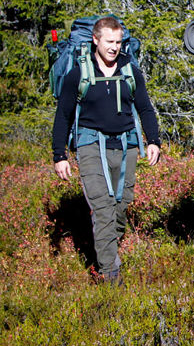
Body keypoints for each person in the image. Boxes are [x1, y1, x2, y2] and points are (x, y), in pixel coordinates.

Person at [52, 16, 161, 284]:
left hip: (127, 146)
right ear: (96, 40)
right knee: (102, 208)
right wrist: (60, 155)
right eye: (109, 42)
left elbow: (145, 108)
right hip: (90, 145)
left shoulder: (130, 70)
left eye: (119, 42)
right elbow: (63, 114)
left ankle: (107, 251)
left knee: (120, 207)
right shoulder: (79, 71)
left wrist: (154, 140)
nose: (114, 47)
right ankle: (111, 276)